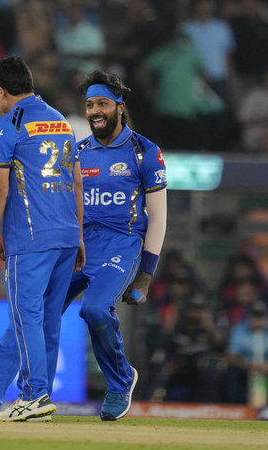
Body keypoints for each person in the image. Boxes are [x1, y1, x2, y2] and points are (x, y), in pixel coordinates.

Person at [0, 56, 85, 422]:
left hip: (32, 237)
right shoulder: (61, 121)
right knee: (41, 320)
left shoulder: (5, 126)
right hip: (67, 235)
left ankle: (34, 394)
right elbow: (77, 182)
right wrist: (80, 235)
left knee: (27, 318)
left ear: (0, 91)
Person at [64, 70, 167, 421]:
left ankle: (120, 380)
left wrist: (145, 276)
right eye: (90, 103)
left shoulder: (145, 152)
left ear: (120, 107)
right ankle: (32, 392)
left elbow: (159, 217)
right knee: (39, 306)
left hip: (122, 244)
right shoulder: (77, 152)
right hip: (80, 244)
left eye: (102, 103)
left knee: (93, 309)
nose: (94, 110)